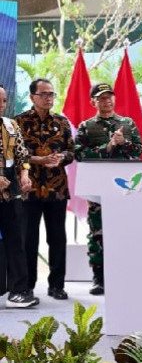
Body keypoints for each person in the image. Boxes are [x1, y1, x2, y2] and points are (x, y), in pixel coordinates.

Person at [74, 83, 142, 295]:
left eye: (109, 97)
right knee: (98, 233)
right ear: (93, 102)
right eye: (102, 98)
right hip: (97, 188)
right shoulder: (86, 126)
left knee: (125, 231)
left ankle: (125, 275)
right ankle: (99, 279)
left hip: (124, 188)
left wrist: (123, 144)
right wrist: (109, 147)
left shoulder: (127, 123)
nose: (107, 101)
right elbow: (79, 153)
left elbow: (139, 150)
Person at [15, 78, 74, 300]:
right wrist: (38, 160)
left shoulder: (62, 122)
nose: (48, 98)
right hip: (28, 189)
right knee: (28, 239)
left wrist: (61, 158)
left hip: (56, 188)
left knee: (57, 238)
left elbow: (71, 151)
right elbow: (14, 155)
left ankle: (57, 285)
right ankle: (27, 285)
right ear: (32, 97)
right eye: (44, 94)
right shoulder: (18, 122)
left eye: (51, 94)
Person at [0, 84, 39, 308]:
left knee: (17, 242)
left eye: (4, 100)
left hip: (10, 191)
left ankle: (18, 292)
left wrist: (24, 176)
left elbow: (22, 155)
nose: (1, 105)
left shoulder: (11, 125)